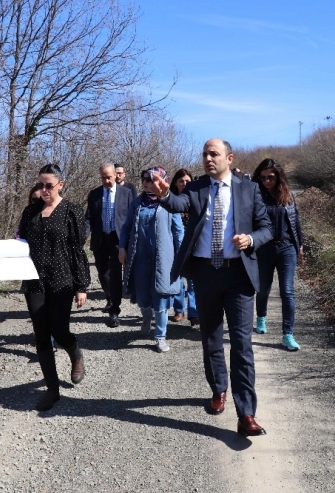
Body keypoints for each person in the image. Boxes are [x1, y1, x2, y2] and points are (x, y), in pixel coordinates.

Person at [150, 138, 274, 437]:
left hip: (239, 276)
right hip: (205, 273)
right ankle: (218, 389)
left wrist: (251, 240)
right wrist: (165, 193)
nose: (208, 158)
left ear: (229, 158)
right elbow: (179, 204)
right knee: (211, 340)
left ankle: (246, 413)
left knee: (242, 346)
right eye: (205, 154)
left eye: (214, 153)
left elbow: (266, 227)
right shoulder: (196, 187)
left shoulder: (249, 189)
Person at [16, 164, 91, 411]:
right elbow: (21, 242)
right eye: (41, 185)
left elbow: (77, 250)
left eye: (49, 185)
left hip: (62, 280)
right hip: (34, 279)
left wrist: (81, 285)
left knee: (59, 330)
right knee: (41, 334)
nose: (44, 190)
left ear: (61, 184)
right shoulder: (30, 212)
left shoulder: (72, 211)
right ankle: (52, 389)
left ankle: (75, 352)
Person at [118, 167, 183, 353]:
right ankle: (146, 316)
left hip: (163, 258)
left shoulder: (170, 203)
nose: (146, 182)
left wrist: (181, 256)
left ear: (161, 180)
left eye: (151, 179)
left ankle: (160, 336)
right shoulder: (137, 203)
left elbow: (178, 231)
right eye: (144, 178)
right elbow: (126, 227)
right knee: (143, 295)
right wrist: (122, 248)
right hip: (139, 258)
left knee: (161, 296)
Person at [251, 158, 304, 351]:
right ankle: (261, 317)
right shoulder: (256, 195)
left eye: (270, 177)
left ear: (278, 177)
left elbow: (295, 220)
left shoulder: (287, 195)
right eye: (263, 177)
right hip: (264, 249)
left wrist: (300, 244)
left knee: (287, 291)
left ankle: (288, 334)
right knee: (263, 288)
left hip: (286, 247)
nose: (266, 181)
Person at [85, 163, 133, 327]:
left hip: (118, 239)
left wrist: (130, 241)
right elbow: (89, 218)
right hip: (100, 239)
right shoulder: (94, 194)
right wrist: (82, 237)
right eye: (103, 177)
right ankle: (109, 297)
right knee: (102, 273)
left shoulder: (125, 193)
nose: (106, 180)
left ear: (115, 175)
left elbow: (131, 218)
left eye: (109, 177)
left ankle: (114, 311)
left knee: (114, 275)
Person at [168, 168, 198, 326]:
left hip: (194, 247)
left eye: (188, 181)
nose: (185, 184)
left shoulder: (197, 201)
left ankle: (194, 312)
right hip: (174, 247)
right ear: (176, 184)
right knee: (178, 281)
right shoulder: (171, 201)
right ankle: (179, 309)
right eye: (181, 181)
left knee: (193, 281)